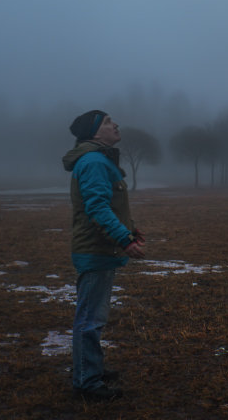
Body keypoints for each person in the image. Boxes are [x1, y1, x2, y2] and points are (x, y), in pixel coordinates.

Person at [63, 110, 145, 401]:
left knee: (92, 315)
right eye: (110, 123)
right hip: (96, 250)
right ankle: (86, 381)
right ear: (96, 133)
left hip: (99, 249)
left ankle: (90, 369)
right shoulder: (94, 161)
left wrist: (131, 229)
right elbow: (97, 207)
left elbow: (111, 203)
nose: (116, 125)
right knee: (90, 318)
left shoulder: (98, 160)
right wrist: (124, 239)